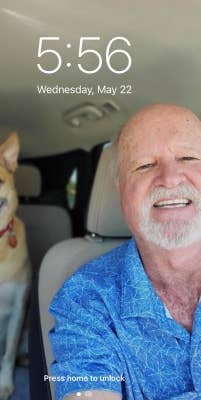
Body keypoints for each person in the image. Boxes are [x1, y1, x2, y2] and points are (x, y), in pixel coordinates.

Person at [49, 104, 201, 400]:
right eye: (144, 165)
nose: (170, 178)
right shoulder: (83, 298)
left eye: (189, 157)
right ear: (120, 188)